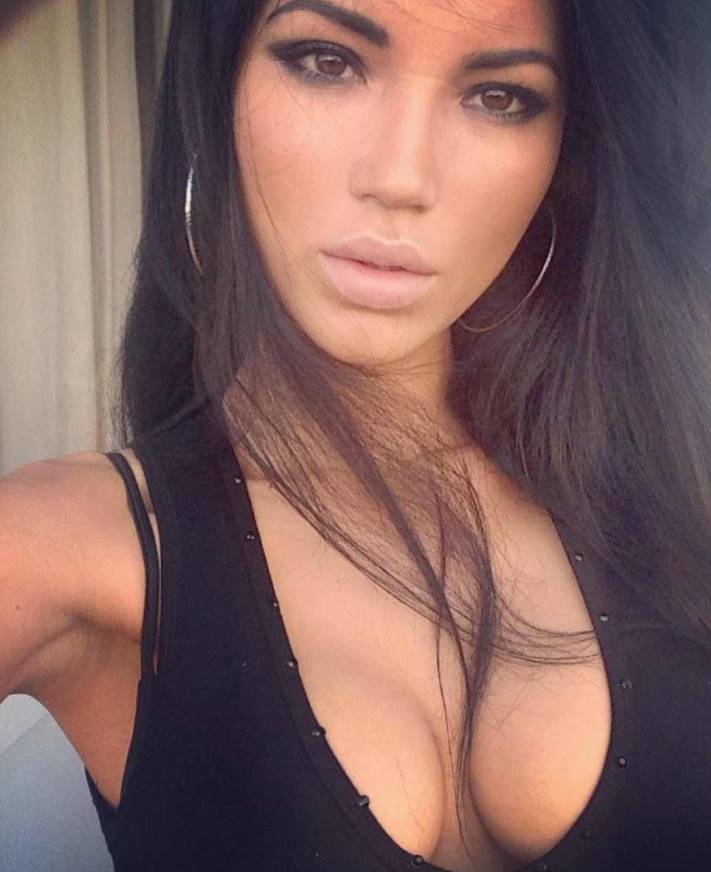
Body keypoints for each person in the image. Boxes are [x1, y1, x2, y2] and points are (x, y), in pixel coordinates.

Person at [2, 1, 710, 870]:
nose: (401, 176)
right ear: (217, 95)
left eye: (498, 97)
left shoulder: (666, 475)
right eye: (325, 61)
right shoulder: (61, 546)